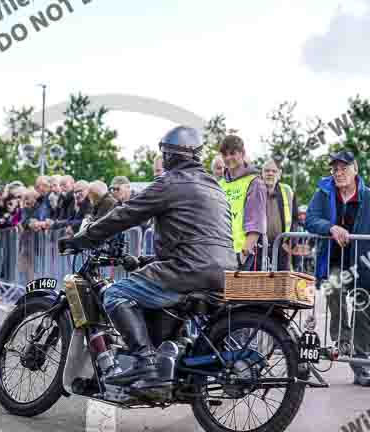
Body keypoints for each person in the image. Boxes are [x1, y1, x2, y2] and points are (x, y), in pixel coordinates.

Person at [58, 126, 237, 387]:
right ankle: (167, 359)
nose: (163, 160)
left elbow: (125, 214)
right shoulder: (214, 186)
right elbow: (195, 240)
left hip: (187, 272)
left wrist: (81, 239)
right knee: (152, 293)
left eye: (164, 154)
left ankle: (144, 362)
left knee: (115, 293)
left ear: (172, 155)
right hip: (223, 272)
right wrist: (146, 260)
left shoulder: (170, 183)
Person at [306, 151, 370, 387]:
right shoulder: (324, 193)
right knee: (333, 286)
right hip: (336, 262)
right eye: (335, 169)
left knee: (364, 309)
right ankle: (343, 339)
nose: (339, 173)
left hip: (364, 264)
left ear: (355, 169)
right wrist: (331, 228)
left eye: (343, 168)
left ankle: (362, 367)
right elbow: (311, 219)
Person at [218, 135, 267, 271]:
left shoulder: (255, 182)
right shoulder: (220, 184)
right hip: (220, 253)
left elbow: (256, 225)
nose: (228, 158)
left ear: (242, 153)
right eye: (224, 154)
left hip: (243, 255)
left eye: (232, 153)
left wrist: (243, 257)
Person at [262, 159, 298, 270]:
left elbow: (295, 218)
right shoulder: (255, 189)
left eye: (274, 171)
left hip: (281, 247)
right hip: (259, 247)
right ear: (262, 173)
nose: (270, 174)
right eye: (267, 170)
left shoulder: (287, 191)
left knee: (281, 281)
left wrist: (291, 243)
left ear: (280, 174)